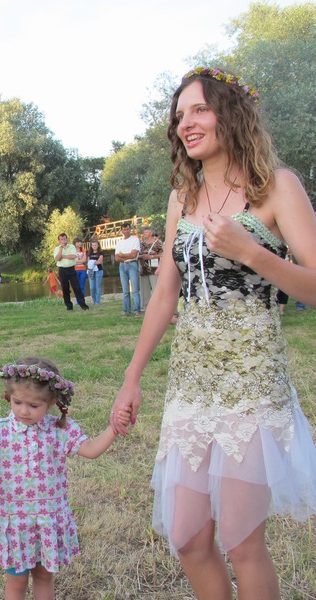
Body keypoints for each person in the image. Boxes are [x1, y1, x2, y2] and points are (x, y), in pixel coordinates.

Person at [110, 67, 316, 600]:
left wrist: (254, 253)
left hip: (251, 383)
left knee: (243, 543)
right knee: (187, 535)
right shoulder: (183, 197)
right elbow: (164, 293)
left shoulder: (278, 186)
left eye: (199, 109)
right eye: (180, 115)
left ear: (232, 112)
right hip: (191, 383)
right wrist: (132, 377)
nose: (186, 123)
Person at [0, 358, 130, 600]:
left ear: (51, 402)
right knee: (16, 582)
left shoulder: (60, 429)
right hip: (16, 523)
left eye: (33, 405)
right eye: (17, 402)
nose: (23, 411)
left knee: (43, 578)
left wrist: (114, 428)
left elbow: (91, 450)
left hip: (48, 521)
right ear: (9, 397)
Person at [52, 234, 89, 311]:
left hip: (71, 269)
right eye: (61, 239)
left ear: (67, 239)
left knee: (77, 287)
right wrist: (61, 249)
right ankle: (69, 306)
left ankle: (83, 305)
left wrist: (63, 256)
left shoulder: (71, 246)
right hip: (62, 270)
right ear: (59, 240)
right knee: (65, 288)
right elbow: (57, 258)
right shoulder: (57, 248)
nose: (63, 240)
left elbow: (73, 256)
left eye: (64, 239)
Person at [114, 223, 142, 316]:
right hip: (122, 266)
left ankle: (137, 310)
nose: (126, 231)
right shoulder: (119, 242)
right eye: (124, 229)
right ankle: (126, 311)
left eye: (127, 229)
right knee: (125, 291)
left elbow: (134, 255)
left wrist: (122, 255)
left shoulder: (135, 240)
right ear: (121, 231)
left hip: (132, 264)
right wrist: (127, 256)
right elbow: (116, 258)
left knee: (135, 289)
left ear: (130, 229)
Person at [138, 226, 163, 312]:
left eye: (146, 232)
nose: (144, 234)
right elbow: (138, 253)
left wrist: (152, 256)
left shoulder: (158, 242)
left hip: (154, 269)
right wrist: (141, 256)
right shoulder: (141, 243)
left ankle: (158, 306)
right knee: (144, 289)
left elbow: (163, 254)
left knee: (156, 287)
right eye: (144, 232)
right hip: (144, 268)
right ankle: (145, 307)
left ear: (151, 233)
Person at [87, 240, 105, 306]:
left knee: (98, 286)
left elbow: (100, 261)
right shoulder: (89, 253)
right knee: (92, 287)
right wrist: (94, 262)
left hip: (99, 271)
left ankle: (97, 301)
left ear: (98, 246)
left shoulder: (101, 253)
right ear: (91, 246)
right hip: (91, 271)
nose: (94, 246)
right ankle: (94, 301)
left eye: (95, 245)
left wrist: (92, 262)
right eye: (93, 245)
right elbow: (88, 262)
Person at [73, 237, 88, 307]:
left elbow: (85, 260)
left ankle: (82, 301)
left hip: (83, 269)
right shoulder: (72, 251)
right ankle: (77, 301)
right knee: (76, 286)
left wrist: (78, 261)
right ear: (75, 243)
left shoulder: (83, 250)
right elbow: (73, 261)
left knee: (82, 285)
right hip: (75, 270)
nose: (80, 243)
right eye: (78, 242)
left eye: (80, 242)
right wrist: (80, 261)